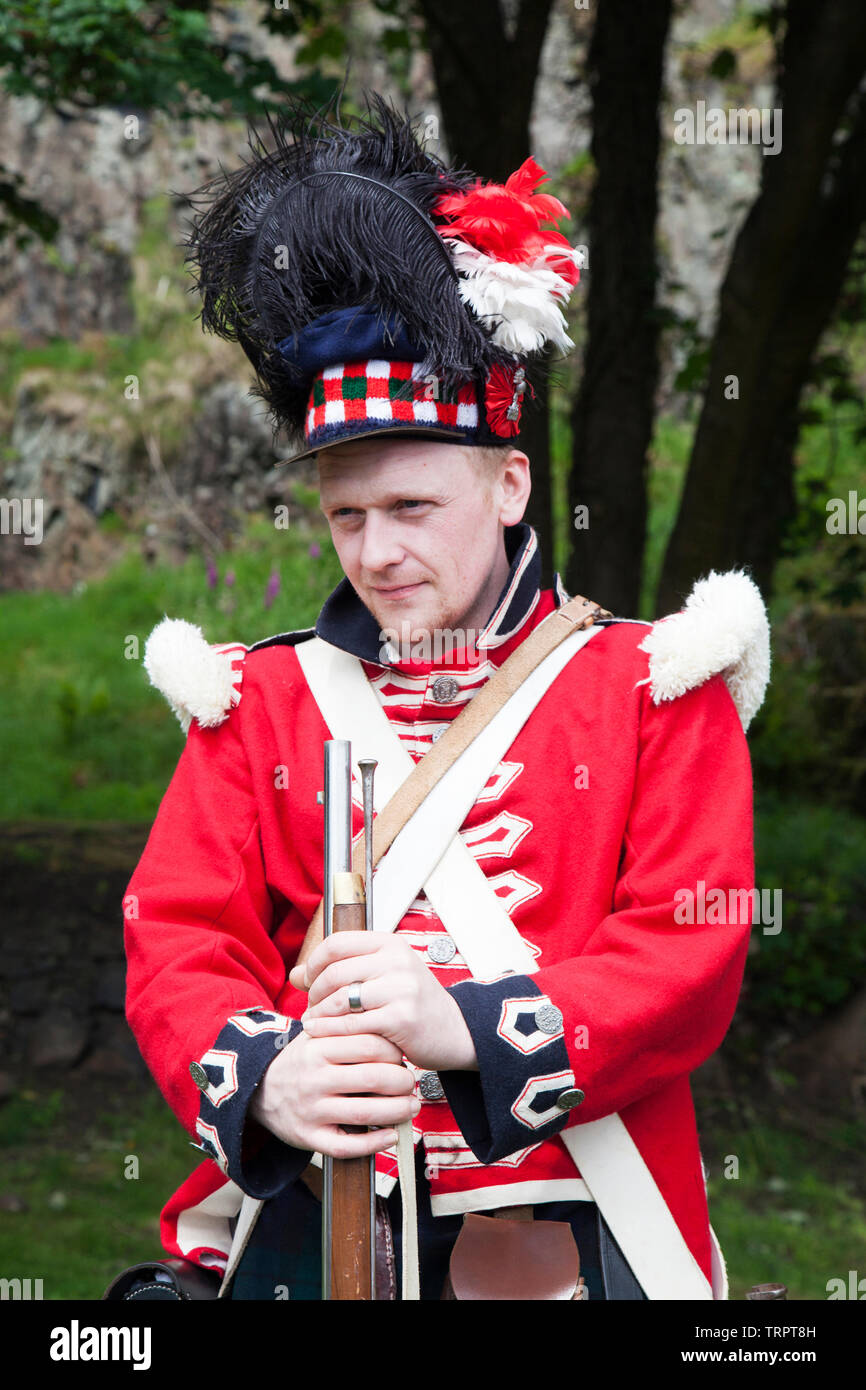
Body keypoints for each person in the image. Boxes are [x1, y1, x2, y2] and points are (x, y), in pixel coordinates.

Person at [123, 92, 770, 1301]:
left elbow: (689, 943)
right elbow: (177, 934)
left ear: (511, 484)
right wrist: (267, 1077)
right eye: (346, 516)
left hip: (581, 1219)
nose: (374, 553)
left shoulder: (649, 682)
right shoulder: (255, 698)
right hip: (313, 1219)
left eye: (413, 508)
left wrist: (463, 1026)